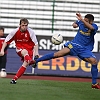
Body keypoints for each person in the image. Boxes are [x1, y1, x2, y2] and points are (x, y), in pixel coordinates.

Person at [33, 13, 100, 89]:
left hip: (84, 49)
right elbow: (74, 24)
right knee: (57, 54)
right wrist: (75, 24)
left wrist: (81, 20)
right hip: (74, 45)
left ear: (91, 22)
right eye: (84, 20)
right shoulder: (81, 22)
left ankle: (94, 84)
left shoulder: (94, 26)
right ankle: (36, 61)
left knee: (94, 61)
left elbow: (91, 28)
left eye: (86, 21)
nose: (84, 22)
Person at [0, 18, 39, 84]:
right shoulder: (15, 31)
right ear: (19, 25)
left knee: (25, 64)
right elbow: (6, 41)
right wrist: (2, 50)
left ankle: (14, 79)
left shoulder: (31, 32)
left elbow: (35, 44)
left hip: (30, 49)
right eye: (23, 25)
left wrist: (36, 53)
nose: (24, 27)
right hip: (20, 48)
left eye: (26, 25)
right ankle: (31, 61)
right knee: (24, 52)